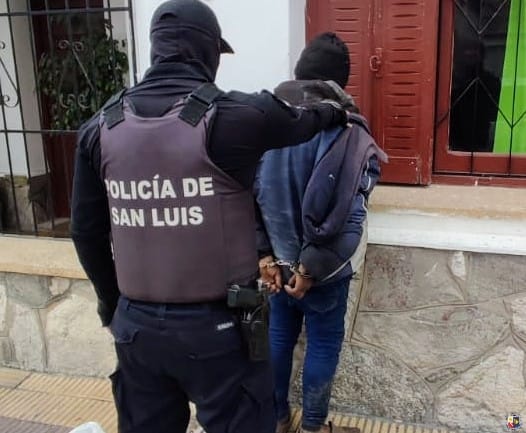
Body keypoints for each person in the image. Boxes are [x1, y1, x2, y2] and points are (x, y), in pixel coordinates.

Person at [70, 1, 349, 433]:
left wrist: (113, 306)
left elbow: (85, 232)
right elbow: (304, 121)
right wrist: (337, 111)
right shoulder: (235, 117)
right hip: (220, 333)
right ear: (207, 52)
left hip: (137, 331)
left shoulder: (99, 128)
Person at [255, 32, 387, 433]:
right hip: (322, 273)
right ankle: (313, 427)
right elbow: (350, 217)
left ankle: (277, 420)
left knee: (279, 336)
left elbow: (247, 194)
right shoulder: (348, 132)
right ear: (339, 84)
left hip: (277, 267)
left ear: (299, 73)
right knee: (323, 342)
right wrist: (309, 269)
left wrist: (264, 256)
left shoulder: (265, 123)